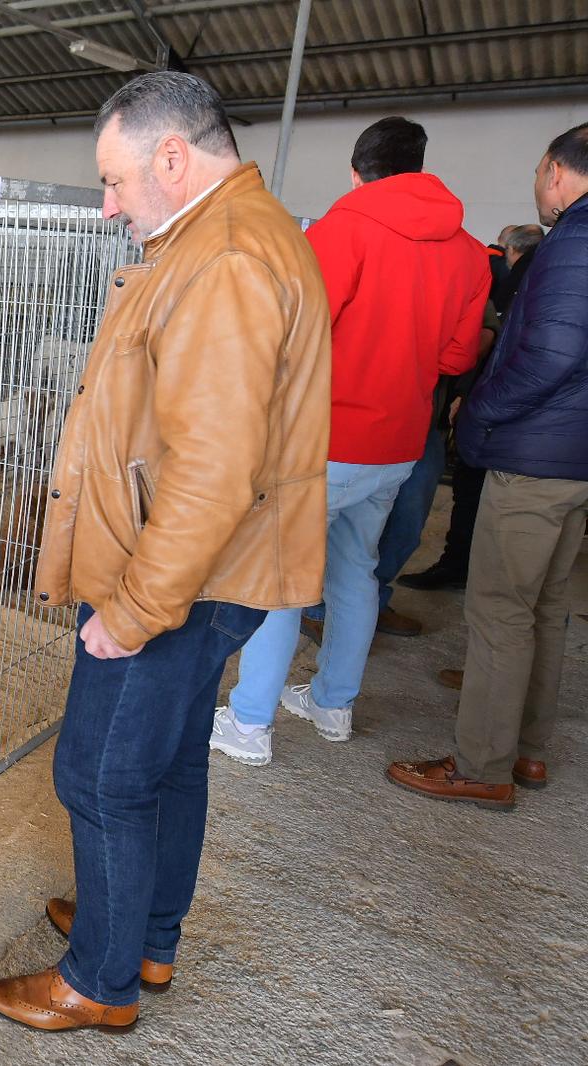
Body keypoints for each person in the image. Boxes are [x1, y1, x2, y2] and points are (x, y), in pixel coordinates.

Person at [0, 72, 330, 1034]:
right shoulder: (234, 233)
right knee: (169, 764)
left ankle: (99, 979)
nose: (109, 203)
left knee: (98, 775)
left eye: (116, 180)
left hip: (180, 575)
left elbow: (212, 470)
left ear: (172, 158)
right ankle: (142, 932)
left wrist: (130, 611)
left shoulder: (220, 259)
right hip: (219, 568)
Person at [210, 117, 487, 767]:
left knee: (278, 579)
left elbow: (296, 332)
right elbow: (455, 355)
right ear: (419, 169)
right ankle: (333, 704)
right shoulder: (472, 253)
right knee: (353, 571)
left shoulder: (343, 230)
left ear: (357, 170)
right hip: (397, 446)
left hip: (324, 440)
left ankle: (249, 723)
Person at [390, 123, 588, 808]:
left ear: (558, 171)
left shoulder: (574, 243)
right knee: (543, 608)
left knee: (501, 611)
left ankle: (482, 765)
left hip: (534, 457)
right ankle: (527, 752)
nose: (538, 184)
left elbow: (550, 356)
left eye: (539, 169)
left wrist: (477, 411)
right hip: (572, 460)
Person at [400, 223, 546, 595]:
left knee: (409, 517)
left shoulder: (470, 274)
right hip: (370, 416)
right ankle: (331, 604)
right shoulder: (383, 265)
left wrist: (456, 375)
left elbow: (486, 334)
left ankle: (374, 596)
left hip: (430, 417)